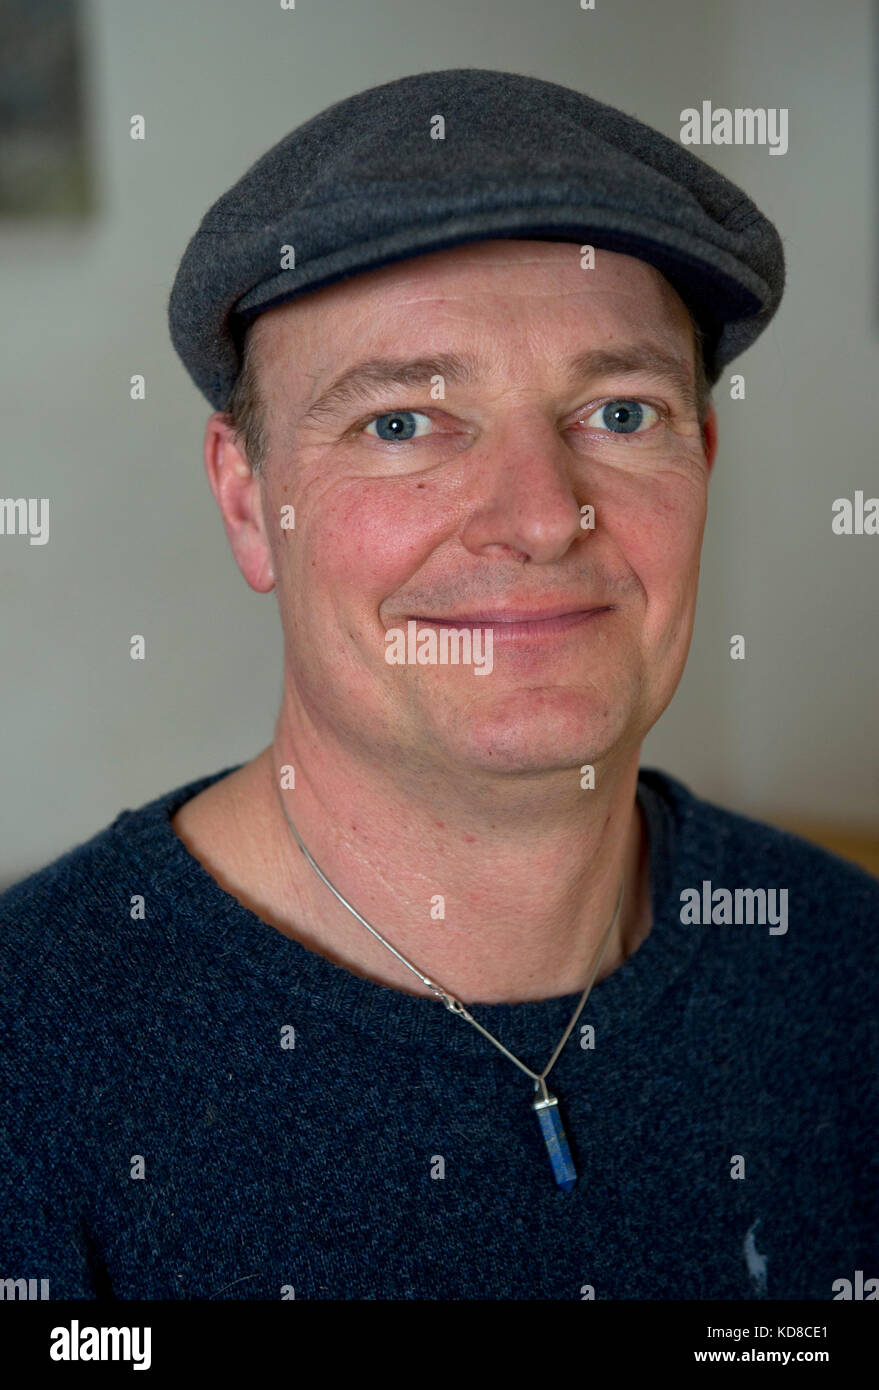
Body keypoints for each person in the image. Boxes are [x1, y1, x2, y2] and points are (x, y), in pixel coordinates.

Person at [1, 68, 875, 1302]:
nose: (538, 516)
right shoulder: (29, 1060)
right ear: (249, 501)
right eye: (403, 422)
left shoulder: (849, 973)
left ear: (705, 460)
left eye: (621, 412)